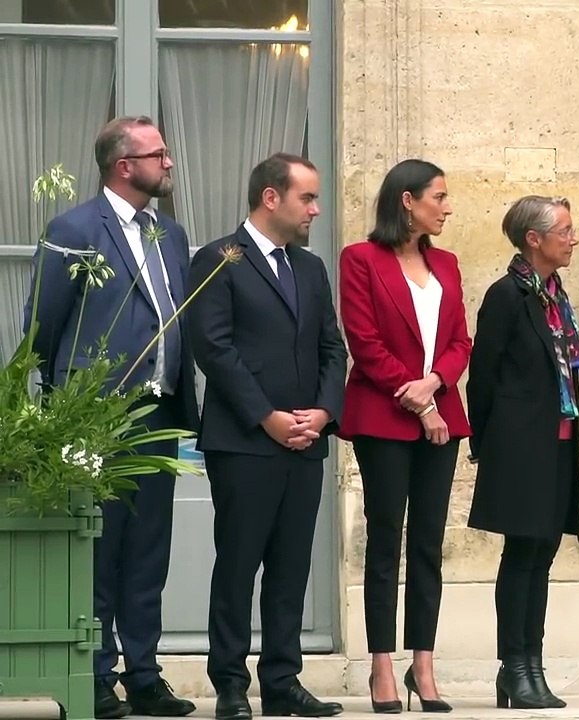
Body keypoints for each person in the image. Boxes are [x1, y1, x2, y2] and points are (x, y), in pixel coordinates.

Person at [24, 116, 199, 719]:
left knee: (151, 547)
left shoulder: (170, 234)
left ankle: (144, 674)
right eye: (160, 154)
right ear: (125, 165)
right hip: (92, 416)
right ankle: (96, 675)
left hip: (158, 413)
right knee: (100, 546)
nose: (169, 164)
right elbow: (41, 326)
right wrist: (60, 407)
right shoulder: (73, 227)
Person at [187, 153, 348, 720]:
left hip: (307, 442)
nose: (316, 209)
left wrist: (324, 413)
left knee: (291, 564)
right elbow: (214, 349)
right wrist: (268, 416)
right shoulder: (218, 260)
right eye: (307, 198)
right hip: (246, 443)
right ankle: (230, 683)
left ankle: (282, 680)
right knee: (238, 562)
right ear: (271, 198)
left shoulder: (311, 268)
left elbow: (333, 347)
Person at [337, 159, 471, 714]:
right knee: (386, 541)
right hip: (383, 417)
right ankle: (381, 666)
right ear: (407, 201)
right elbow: (364, 343)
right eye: (438, 196)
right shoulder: (360, 259)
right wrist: (418, 402)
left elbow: (462, 340)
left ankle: (424, 662)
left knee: (429, 545)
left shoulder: (448, 262)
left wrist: (436, 385)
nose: (446, 206)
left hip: (443, 415)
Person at [466, 195, 579, 710]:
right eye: (563, 230)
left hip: (559, 441)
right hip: (518, 446)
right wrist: (486, 444)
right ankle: (513, 667)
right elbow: (483, 376)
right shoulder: (507, 295)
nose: (573, 238)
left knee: (543, 554)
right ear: (533, 239)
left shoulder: (554, 295)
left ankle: (534, 666)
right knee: (521, 554)